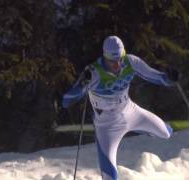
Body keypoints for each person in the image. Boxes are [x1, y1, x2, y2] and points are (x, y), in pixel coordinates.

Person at [62, 35, 179, 180]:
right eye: (113, 62)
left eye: (120, 59)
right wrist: (82, 86)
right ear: (105, 57)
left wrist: (169, 78)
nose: (118, 65)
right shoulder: (94, 72)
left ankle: (142, 128)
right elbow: (66, 101)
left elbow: (156, 77)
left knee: (166, 133)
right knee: (109, 176)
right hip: (107, 125)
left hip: (131, 112)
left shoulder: (131, 62)